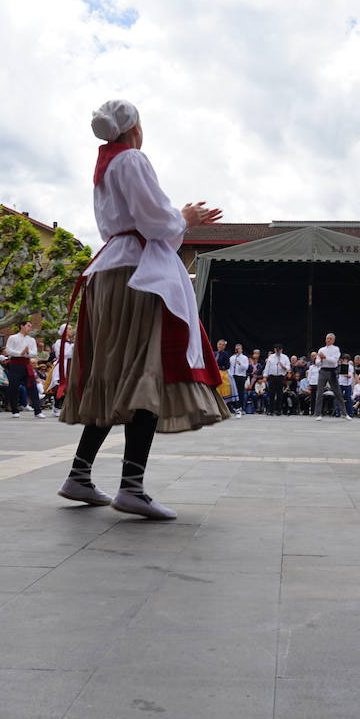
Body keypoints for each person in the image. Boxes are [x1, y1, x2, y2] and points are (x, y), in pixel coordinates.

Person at [57, 99, 227, 520]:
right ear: (134, 127)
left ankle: (80, 474)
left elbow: (140, 225)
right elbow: (155, 224)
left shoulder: (106, 166)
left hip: (111, 270)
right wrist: (183, 217)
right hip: (137, 275)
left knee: (117, 372)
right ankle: (131, 486)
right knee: (145, 370)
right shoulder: (131, 159)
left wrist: (178, 221)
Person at [4, 319, 46, 418]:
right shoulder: (12, 338)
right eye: (28, 326)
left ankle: (37, 411)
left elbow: (34, 353)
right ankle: (15, 410)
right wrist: (20, 353)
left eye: (30, 326)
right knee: (14, 387)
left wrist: (27, 353)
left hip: (26, 364)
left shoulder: (31, 340)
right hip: (15, 364)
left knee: (33, 387)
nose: (30, 328)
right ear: (21, 326)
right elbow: (8, 350)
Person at [312, 333, 349, 421]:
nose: (328, 340)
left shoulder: (336, 349)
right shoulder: (321, 349)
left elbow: (334, 361)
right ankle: (318, 413)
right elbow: (317, 363)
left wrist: (325, 357)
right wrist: (321, 359)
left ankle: (344, 413)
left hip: (332, 371)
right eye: (327, 338)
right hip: (323, 370)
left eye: (330, 338)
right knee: (319, 392)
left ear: (333, 340)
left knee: (338, 392)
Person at [263, 345, 289, 415]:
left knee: (279, 394)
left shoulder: (285, 357)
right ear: (274, 350)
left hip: (280, 377)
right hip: (272, 377)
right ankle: (271, 410)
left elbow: (288, 368)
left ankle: (278, 410)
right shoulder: (271, 357)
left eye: (279, 349)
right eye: (276, 349)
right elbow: (267, 367)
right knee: (271, 393)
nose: (277, 351)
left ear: (281, 350)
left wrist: (283, 366)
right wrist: (265, 376)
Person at [228, 343, 250, 416]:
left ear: (241, 349)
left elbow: (246, 367)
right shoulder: (232, 358)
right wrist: (230, 375)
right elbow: (229, 367)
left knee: (240, 392)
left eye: (239, 348)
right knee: (234, 392)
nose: (237, 350)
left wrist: (240, 364)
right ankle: (234, 407)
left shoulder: (244, 358)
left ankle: (240, 407)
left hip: (241, 376)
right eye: (236, 348)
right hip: (233, 376)